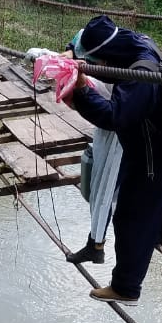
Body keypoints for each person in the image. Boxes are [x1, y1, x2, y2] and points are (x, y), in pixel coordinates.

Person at [64, 15, 162, 306]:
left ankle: (126, 287)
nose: (96, 66)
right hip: (161, 141)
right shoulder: (131, 42)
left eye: (97, 62)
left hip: (152, 147)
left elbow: (116, 116)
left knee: (132, 214)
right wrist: (70, 53)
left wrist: (81, 93)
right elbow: (87, 43)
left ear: (109, 54)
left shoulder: (140, 74)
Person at [64, 29, 123, 265]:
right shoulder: (100, 47)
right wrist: (67, 55)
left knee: (105, 189)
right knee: (104, 187)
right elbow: (76, 41)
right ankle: (96, 243)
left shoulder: (123, 66)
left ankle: (97, 245)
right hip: (111, 130)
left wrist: (82, 87)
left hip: (121, 133)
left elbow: (110, 115)